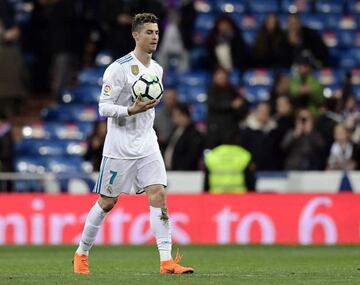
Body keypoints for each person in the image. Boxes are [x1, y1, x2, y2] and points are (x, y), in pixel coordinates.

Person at [73, 13, 194, 275]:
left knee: (159, 195)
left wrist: (145, 109)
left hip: (147, 143)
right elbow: (103, 108)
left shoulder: (157, 69)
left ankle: (166, 262)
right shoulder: (118, 68)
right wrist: (130, 110)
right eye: (149, 32)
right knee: (107, 202)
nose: (154, 37)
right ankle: (81, 253)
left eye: (157, 32)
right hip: (120, 147)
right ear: (135, 35)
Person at [164, 102, 204, 170]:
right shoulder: (176, 129)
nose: (174, 118)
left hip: (185, 174)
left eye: (176, 115)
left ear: (184, 115)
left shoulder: (194, 134)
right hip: (171, 172)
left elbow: (191, 157)